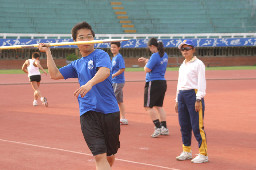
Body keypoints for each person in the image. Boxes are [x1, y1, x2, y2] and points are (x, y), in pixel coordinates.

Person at [38, 21, 120, 170]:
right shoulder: (76, 64)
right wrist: (48, 52)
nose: (86, 40)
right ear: (75, 41)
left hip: (110, 111)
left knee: (109, 155)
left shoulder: (100, 54)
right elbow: (54, 74)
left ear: (94, 39)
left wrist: (89, 83)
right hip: (88, 113)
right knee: (99, 156)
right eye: (81, 37)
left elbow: (105, 71)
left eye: (89, 36)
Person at [175, 40, 208, 163]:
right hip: (182, 95)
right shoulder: (182, 65)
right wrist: (177, 99)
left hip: (193, 95)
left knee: (197, 126)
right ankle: (187, 151)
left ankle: (203, 154)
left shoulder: (198, 64)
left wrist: (198, 98)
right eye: (182, 49)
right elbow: (180, 83)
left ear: (193, 49)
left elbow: (201, 83)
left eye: (187, 48)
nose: (185, 51)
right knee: (184, 126)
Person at [138, 37, 169, 138]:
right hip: (162, 82)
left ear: (152, 46)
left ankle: (158, 127)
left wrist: (146, 63)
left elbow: (147, 69)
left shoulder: (155, 56)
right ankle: (164, 127)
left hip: (153, 82)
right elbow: (156, 62)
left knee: (148, 106)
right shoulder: (164, 55)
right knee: (159, 106)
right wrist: (148, 60)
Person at [110, 42, 128, 125]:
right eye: (112, 47)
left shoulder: (119, 57)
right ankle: (123, 118)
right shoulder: (114, 58)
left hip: (118, 81)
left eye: (114, 47)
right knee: (120, 101)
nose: (113, 49)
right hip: (115, 81)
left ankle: (113, 117)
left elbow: (122, 69)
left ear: (118, 48)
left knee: (111, 99)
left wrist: (113, 75)